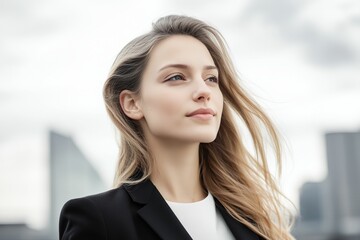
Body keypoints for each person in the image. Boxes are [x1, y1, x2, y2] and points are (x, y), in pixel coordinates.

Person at [59, 15, 294, 240]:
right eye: (176, 77)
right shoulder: (99, 220)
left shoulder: (252, 220)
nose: (204, 91)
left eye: (211, 78)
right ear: (132, 103)